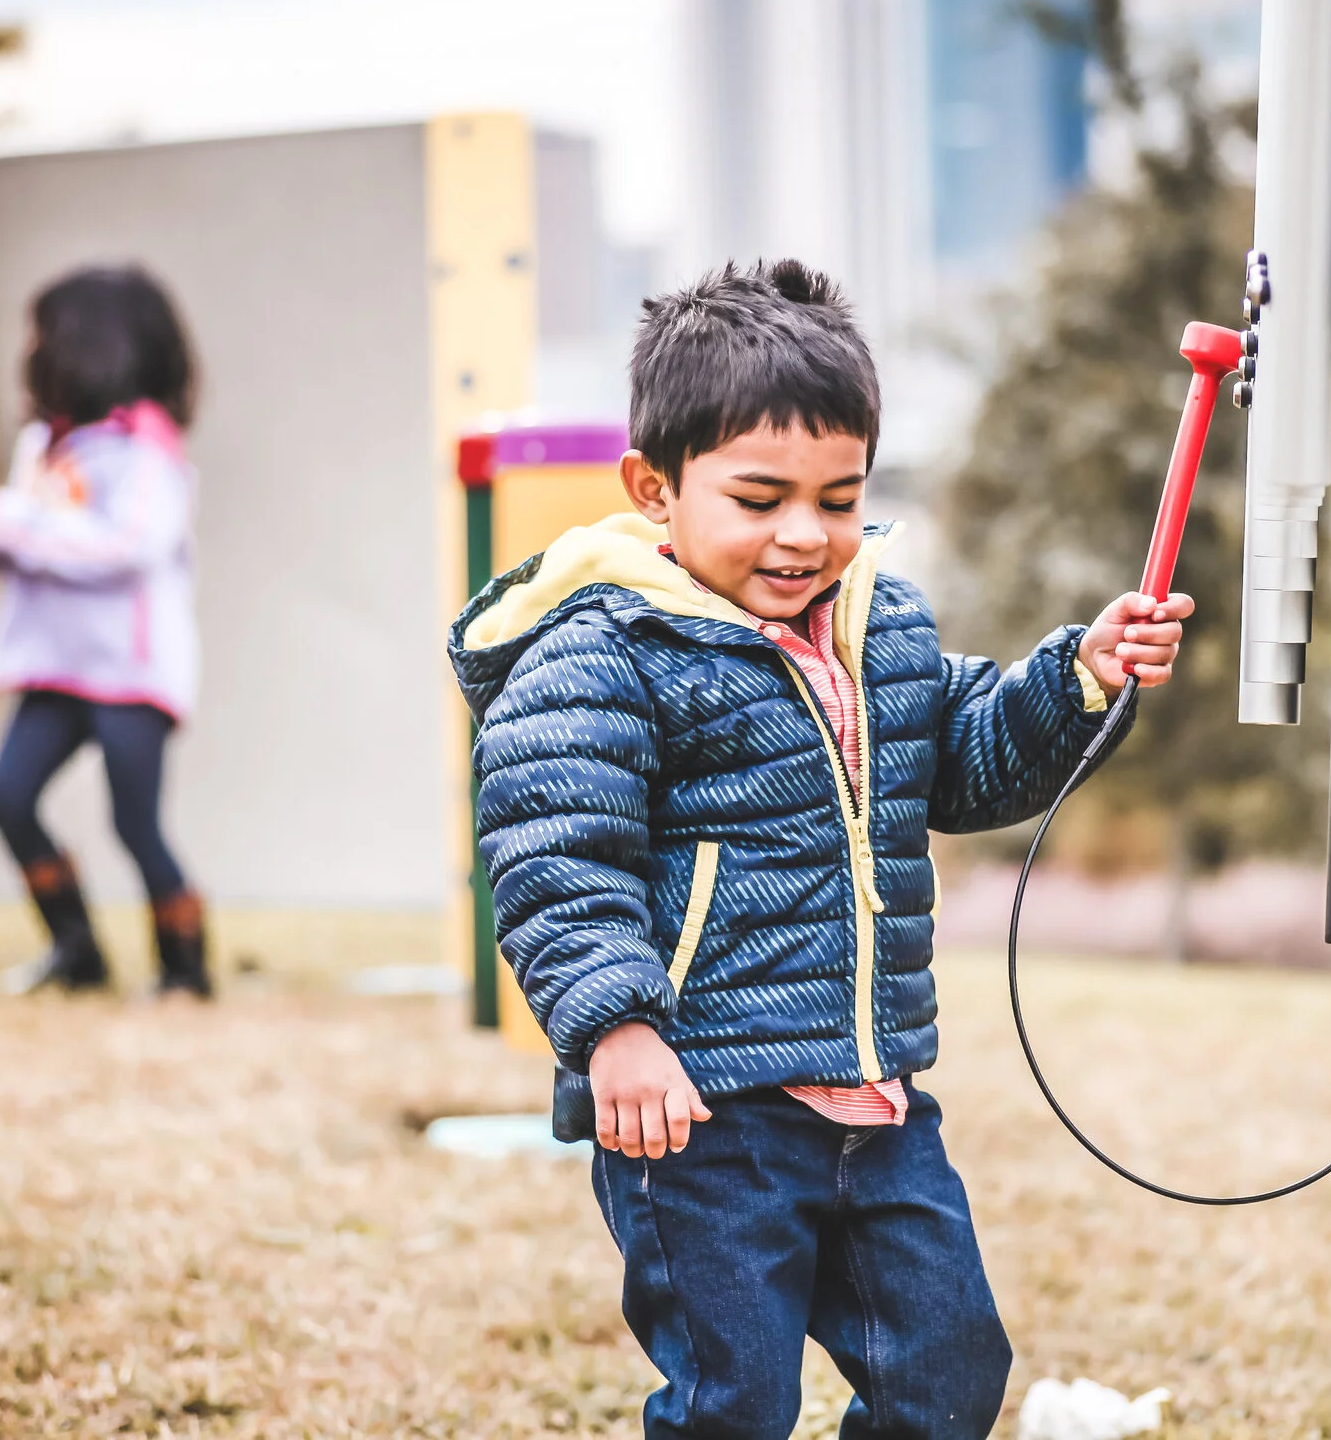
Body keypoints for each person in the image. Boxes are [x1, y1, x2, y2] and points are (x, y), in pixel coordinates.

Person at [447, 259, 1191, 1439]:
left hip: (877, 1103)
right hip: (699, 1112)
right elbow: (555, 856)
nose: (806, 534)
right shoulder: (599, 653)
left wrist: (1078, 677)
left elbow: (967, 757)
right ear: (655, 487)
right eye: (759, 498)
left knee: (946, 1367)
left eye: (839, 498)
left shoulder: (876, 626)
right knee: (731, 1400)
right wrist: (617, 1030)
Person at [0, 264, 209, 1000]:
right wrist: (0, 530)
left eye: (43, 337)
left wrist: (14, 524)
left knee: (133, 821)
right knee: (8, 796)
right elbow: (30, 527)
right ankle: (75, 949)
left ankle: (185, 967)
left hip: (129, 672)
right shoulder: (46, 442)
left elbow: (127, 542)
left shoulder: (145, 449)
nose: (31, 352)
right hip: (55, 666)